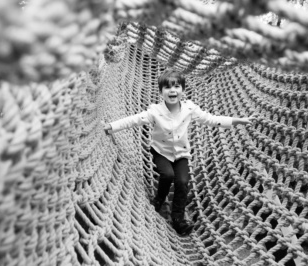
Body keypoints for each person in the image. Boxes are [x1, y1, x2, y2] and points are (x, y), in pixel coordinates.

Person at [103, 69, 253, 235]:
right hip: (161, 151)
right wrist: (112, 126)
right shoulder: (155, 111)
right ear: (161, 92)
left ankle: (178, 218)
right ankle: (159, 198)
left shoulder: (189, 109)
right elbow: (134, 120)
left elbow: (211, 119)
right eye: (167, 87)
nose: (172, 90)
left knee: (182, 182)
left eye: (176, 86)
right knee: (167, 175)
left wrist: (237, 121)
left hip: (181, 154)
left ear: (183, 90)